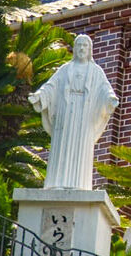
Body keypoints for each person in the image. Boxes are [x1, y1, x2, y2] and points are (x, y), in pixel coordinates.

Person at [27, 33, 119, 190]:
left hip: (85, 115)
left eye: (85, 45)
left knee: (81, 148)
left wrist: (110, 99)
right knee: (62, 147)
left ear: (89, 49)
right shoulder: (65, 69)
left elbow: (105, 89)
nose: (82, 48)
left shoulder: (96, 71)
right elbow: (51, 86)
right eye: (79, 45)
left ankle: (79, 184)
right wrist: (40, 95)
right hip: (65, 112)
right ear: (75, 49)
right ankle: (57, 183)